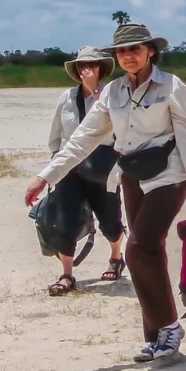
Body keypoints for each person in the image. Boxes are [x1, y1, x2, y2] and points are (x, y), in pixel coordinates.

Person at [25, 23, 186, 362]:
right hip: (132, 175)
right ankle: (157, 334)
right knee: (145, 252)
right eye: (122, 51)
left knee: (138, 245)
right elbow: (81, 140)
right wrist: (45, 177)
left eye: (135, 49)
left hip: (169, 174)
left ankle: (169, 327)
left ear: (150, 51)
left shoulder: (171, 86)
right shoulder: (112, 93)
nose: (128, 56)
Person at [43, 46, 127, 295]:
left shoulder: (112, 96)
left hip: (102, 167)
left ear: (101, 69)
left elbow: (114, 124)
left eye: (91, 65)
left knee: (110, 220)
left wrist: (94, 89)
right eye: (81, 66)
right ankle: (67, 274)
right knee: (64, 221)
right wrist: (56, 156)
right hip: (70, 167)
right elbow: (56, 134)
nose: (85, 69)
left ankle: (115, 256)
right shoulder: (66, 98)